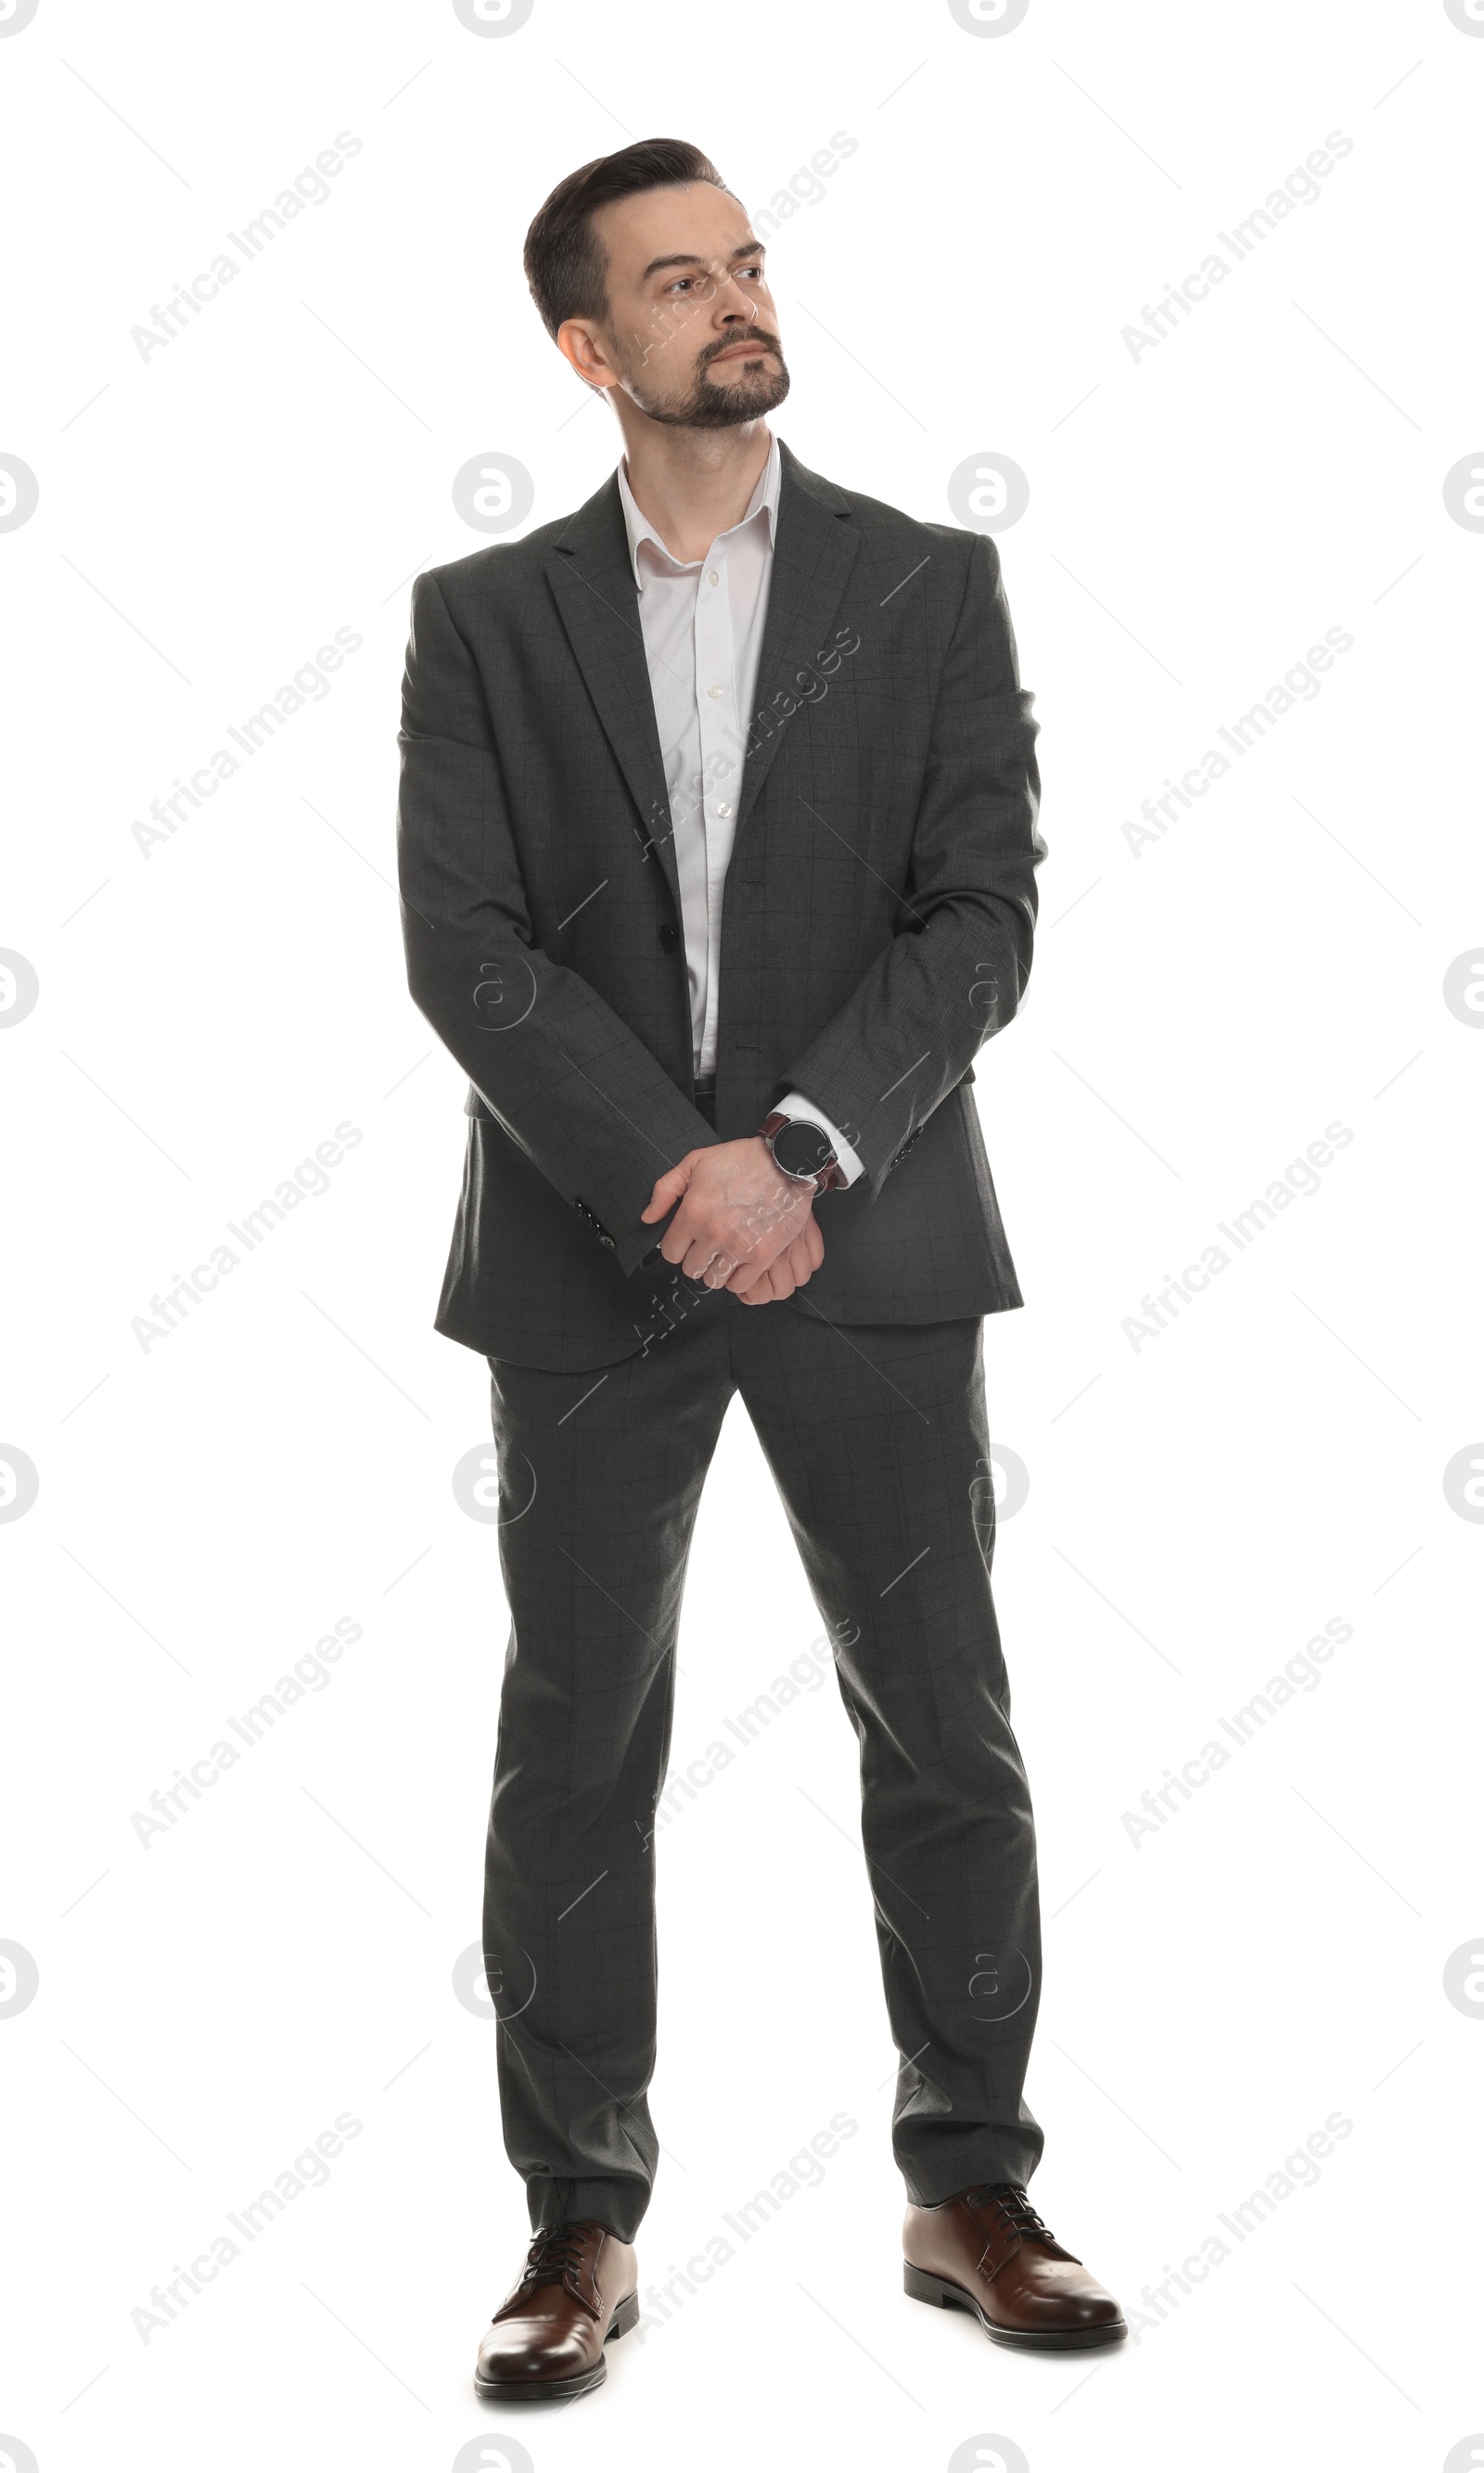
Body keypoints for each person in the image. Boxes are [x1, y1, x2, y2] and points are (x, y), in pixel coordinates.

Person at [396, 136, 1125, 2403]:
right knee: (573, 1742)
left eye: (746, 262)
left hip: (872, 1234)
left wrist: (799, 1150)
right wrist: (675, 1180)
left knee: (941, 1723)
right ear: (585, 347)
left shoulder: (927, 585)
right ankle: (575, 2224)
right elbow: (468, 947)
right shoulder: (485, 617)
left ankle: (967, 2180)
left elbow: (977, 912)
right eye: (676, 280)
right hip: (589, 1265)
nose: (733, 300)